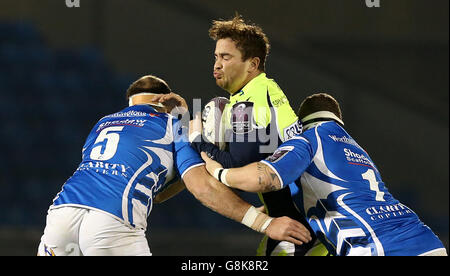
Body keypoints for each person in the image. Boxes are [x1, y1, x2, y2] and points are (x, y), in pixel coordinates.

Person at [36, 75, 312, 256]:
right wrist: (263, 222)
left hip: (60, 216)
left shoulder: (103, 124)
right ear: (162, 101)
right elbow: (202, 187)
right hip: (112, 223)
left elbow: (150, 187)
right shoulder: (172, 125)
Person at [201, 92, 448, 256]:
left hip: (382, 248)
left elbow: (262, 178)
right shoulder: (356, 149)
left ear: (302, 121)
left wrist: (220, 171)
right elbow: (334, 194)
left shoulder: (309, 138)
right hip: (427, 241)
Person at [187, 14, 326, 256]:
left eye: (226, 57)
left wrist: (197, 140)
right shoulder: (259, 92)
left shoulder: (249, 101)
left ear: (252, 64)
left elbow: (235, 166)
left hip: (300, 233)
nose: (217, 64)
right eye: (216, 56)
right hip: (304, 220)